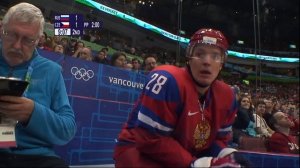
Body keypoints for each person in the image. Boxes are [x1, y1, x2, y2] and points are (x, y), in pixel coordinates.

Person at [114, 28, 250, 167]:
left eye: (215, 56)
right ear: (189, 58)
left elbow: (218, 139)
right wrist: (194, 163)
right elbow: (149, 139)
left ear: (221, 64)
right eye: (199, 54)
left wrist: (226, 154)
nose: (207, 62)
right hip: (139, 150)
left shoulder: (227, 95)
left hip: (186, 152)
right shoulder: (168, 79)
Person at [0, 3, 76, 167]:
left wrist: (32, 113)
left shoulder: (52, 71)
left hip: (36, 158)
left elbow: (68, 129)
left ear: (38, 40)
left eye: (27, 40)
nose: (17, 45)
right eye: (12, 35)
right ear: (1, 29)